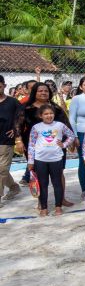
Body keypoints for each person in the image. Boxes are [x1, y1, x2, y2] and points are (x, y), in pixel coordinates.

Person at [18, 82, 73, 206]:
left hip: (57, 145)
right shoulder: (26, 108)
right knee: (38, 173)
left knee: (59, 172)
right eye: (40, 91)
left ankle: (61, 199)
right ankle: (41, 202)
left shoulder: (55, 108)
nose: (43, 93)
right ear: (34, 93)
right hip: (35, 146)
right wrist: (18, 140)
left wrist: (72, 140)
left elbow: (65, 123)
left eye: (46, 91)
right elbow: (18, 124)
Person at [27, 104, 77, 216]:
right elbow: (31, 144)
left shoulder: (60, 125)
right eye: (46, 114)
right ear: (41, 116)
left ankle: (58, 207)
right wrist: (30, 161)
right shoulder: (36, 127)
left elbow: (71, 136)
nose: (49, 116)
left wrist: (64, 144)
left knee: (57, 183)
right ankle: (44, 208)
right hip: (40, 160)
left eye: (51, 113)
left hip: (56, 159)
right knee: (42, 184)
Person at [0, 75, 22, 207]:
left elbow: (21, 117)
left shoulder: (13, 102)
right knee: (1, 170)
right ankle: (14, 187)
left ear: (4, 85)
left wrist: (15, 130)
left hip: (6, 139)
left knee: (2, 169)